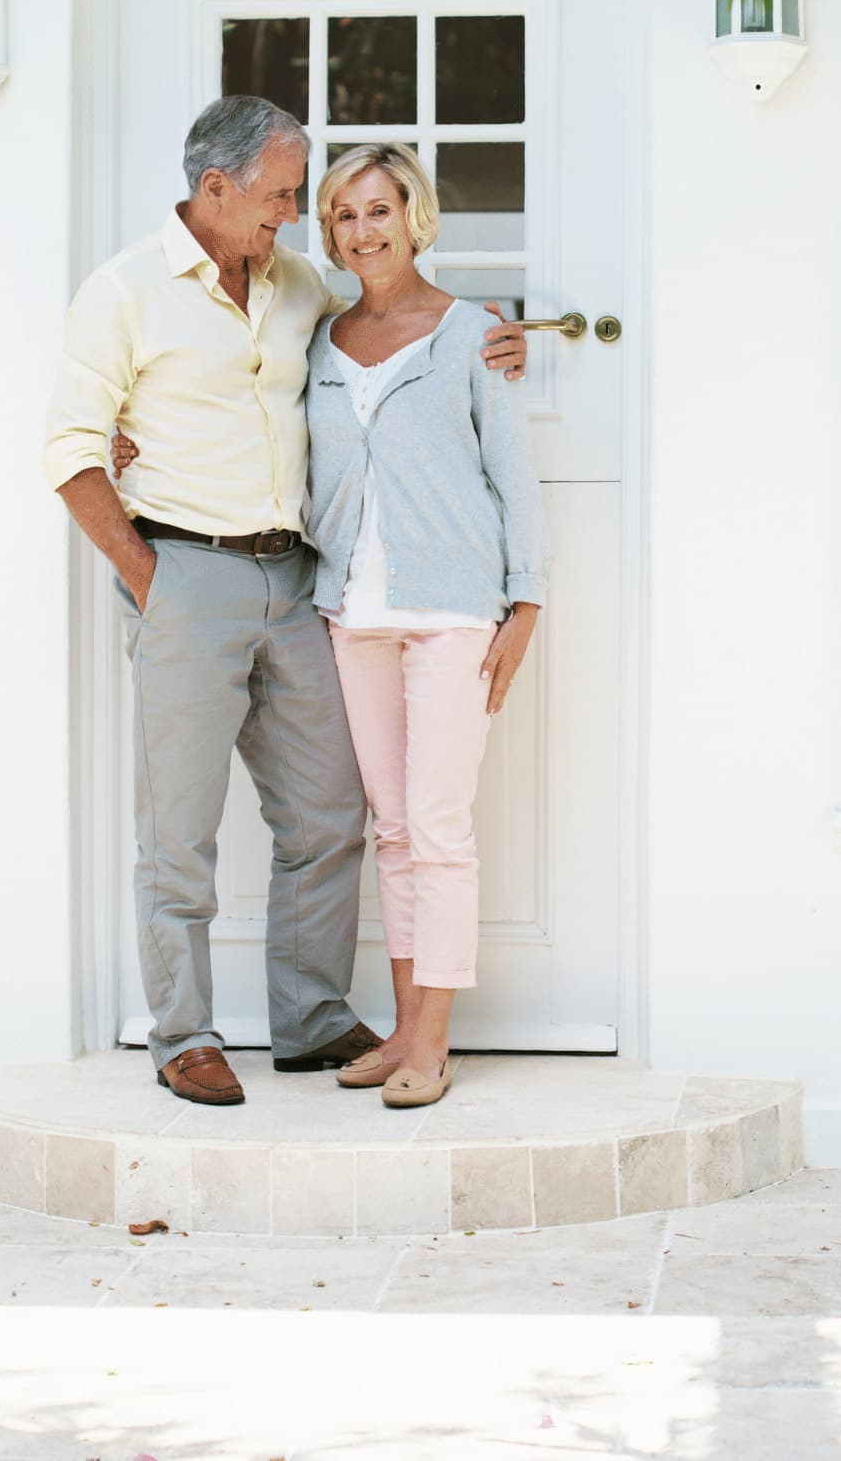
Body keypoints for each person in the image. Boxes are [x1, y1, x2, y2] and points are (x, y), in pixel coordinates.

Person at [41, 96, 525, 1108]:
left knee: (328, 809)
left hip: (306, 578)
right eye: (280, 195)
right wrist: (150, 578)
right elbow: (73, 454)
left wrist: (494, 342)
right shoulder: (123, 291)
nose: (297, 214)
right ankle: (184, 1032)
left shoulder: (297, 285)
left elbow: (393, 322)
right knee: (178, 826)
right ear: (214, 188)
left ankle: (308, 1017)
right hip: (185, 572)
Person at [302, 143, 545, 1108]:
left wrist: (523, 603)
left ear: (415, 215)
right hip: (351, 609)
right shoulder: (318, 342)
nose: (362, 231)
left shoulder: (472, 334)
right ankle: (403, 1027)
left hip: (451, 609)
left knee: (438, 826)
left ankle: (431, 1043)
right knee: (394, 826)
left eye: (377, 209)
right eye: (343, 216)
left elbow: (514, 476)